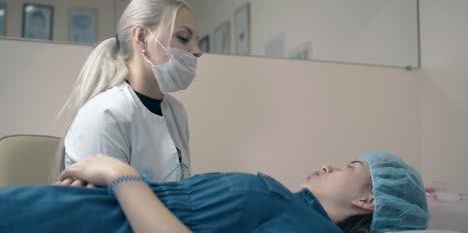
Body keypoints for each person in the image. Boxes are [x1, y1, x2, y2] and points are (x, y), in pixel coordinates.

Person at [1, 151, 429, 232]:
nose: (326, 165)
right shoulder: (293, 207)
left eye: (348, 168)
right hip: (70, 208)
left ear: (368, 201)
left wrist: (119, 175)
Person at [51, 0, 202, 183]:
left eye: (197, 40)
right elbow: (105, 209)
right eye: (183, 37)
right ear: (141, 36)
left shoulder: (176, 113)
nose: (197, 51)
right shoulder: (104, 114)